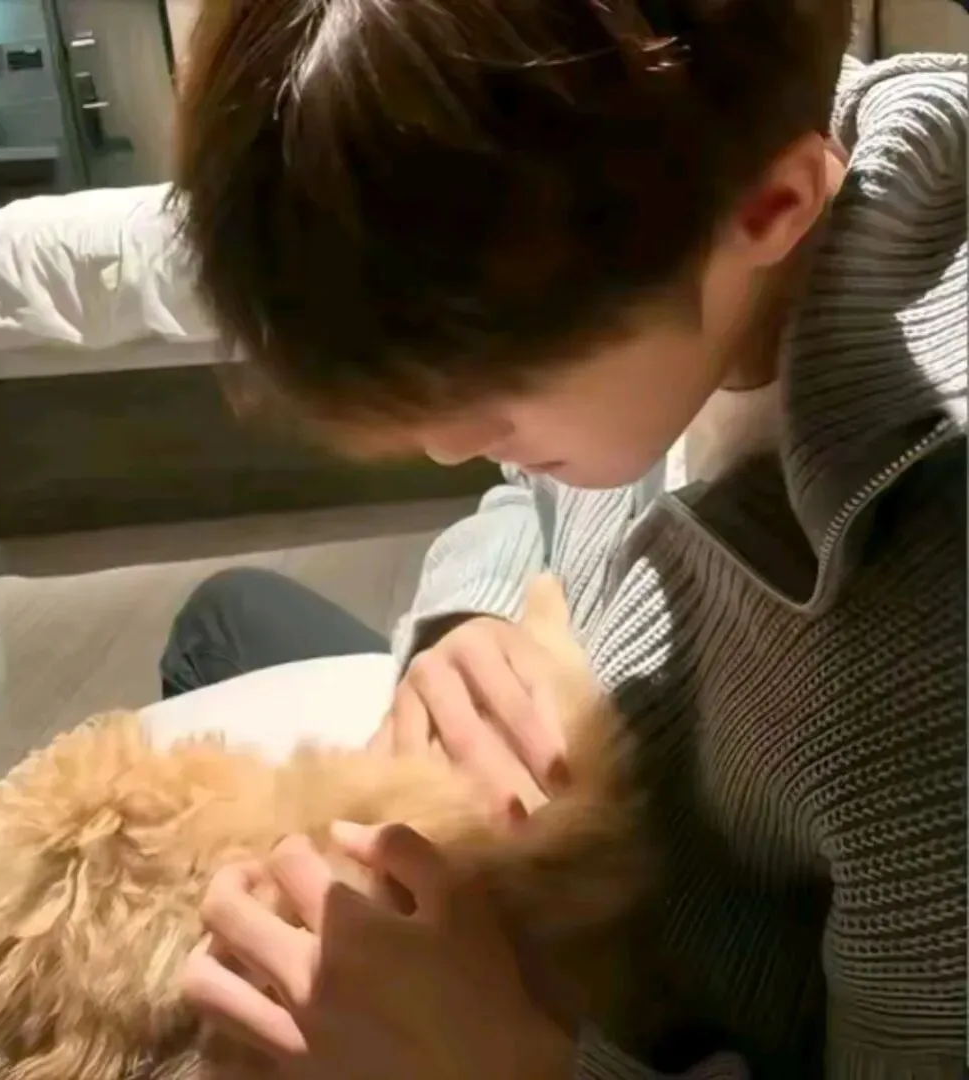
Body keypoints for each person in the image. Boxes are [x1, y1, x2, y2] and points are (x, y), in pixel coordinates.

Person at [145, 1, 966, 1079]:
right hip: (517, 867)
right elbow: (525, 493)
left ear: (774, 209)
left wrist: (508, 1060)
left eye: (494, 389)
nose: (446, 445)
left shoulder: (929, 674)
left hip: (598, 1023)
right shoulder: (679, 191)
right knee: (224, 616)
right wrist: (466, 620)